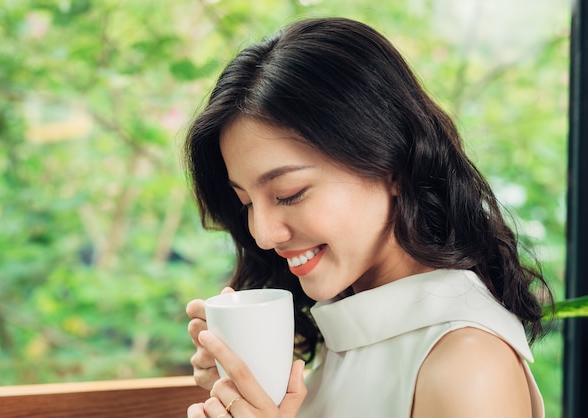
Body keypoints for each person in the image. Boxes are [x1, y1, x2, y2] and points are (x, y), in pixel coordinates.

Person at [184, 17, 552, 418]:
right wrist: (254, 388)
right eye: (246, 203)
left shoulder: (469, 364)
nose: (263, 234)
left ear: (391, 166)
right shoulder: (352, 333)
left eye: (289, 194)